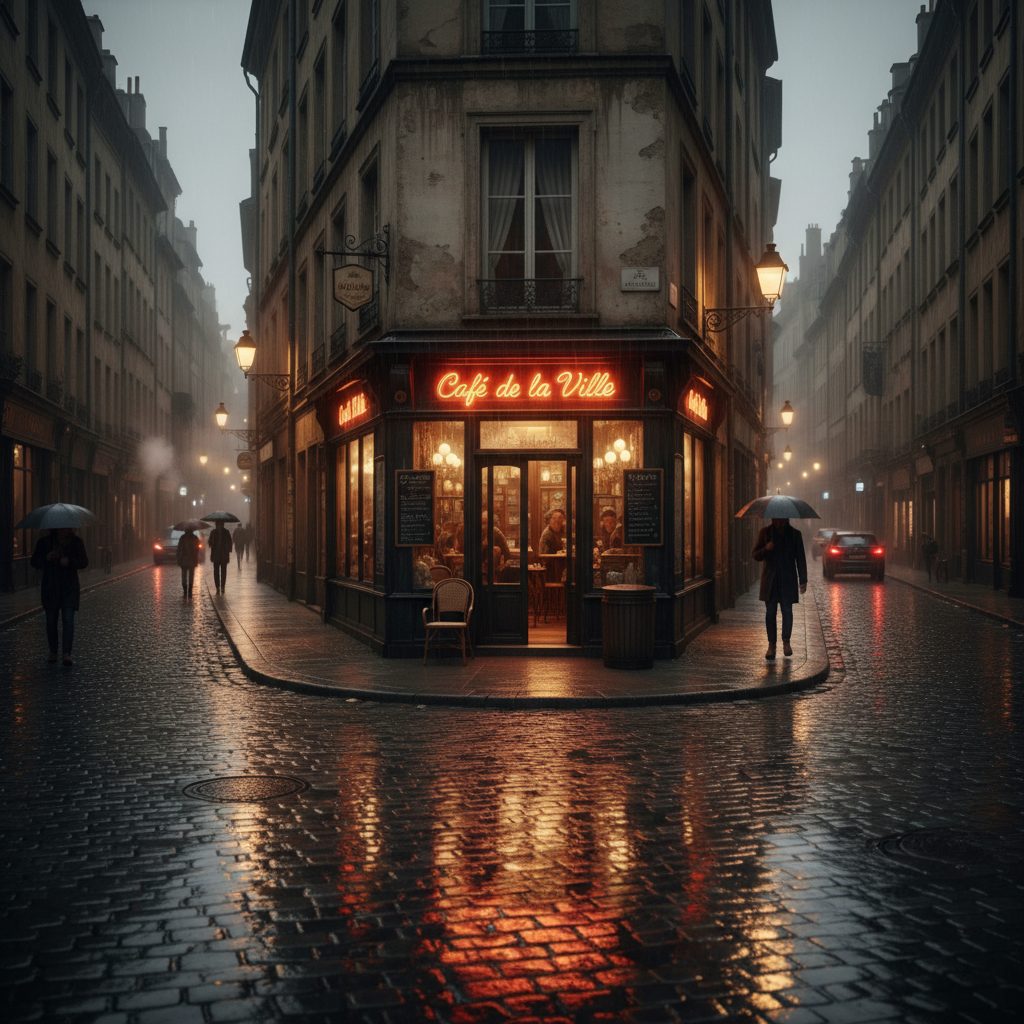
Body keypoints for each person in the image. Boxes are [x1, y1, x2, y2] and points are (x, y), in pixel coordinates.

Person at [30, 527, 89, 666]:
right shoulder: (44, 542)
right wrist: (47, 558)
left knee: (68, 619)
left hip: (69, 587)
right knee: (51, 621)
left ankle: (66, 653)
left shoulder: (76, 542)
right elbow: (34, 562)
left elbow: (84, 562)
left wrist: (69, 561)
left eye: (65, 529)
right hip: (51, 587)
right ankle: (53, 652)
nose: (62, 531)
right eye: (59, 529)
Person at [752, 517, 808, 660]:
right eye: (777, 519)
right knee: (770, 613)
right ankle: (772, 645)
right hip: (770, 581)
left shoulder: (795, 534)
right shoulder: (765, 533)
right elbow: (755, 555)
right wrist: (766, 548)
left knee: (787, 611)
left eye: (782, 520)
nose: (779, 522)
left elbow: (800, 558)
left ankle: (786, 642)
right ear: (773, 519)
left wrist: (803, 580)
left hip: (788, 580)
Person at [208, 520, 233, 594]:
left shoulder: (225, 532)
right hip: (217, 555)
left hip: (223, 555)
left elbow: (229, 542)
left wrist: (229, 549)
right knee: (216, 571)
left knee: (223, 571)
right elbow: (209, 543)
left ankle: (222, 586)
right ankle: (218, 586)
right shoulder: (213, 532)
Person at [177, 528, 200, 600]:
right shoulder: (195, 538)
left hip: (184, 559)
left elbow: (179, 549)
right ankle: (190, 591)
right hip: (192, 559)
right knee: (191, 575)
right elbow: (197, 548)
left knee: (184, 575)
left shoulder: (182, 538)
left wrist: (179, 558)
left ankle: (185, 591)